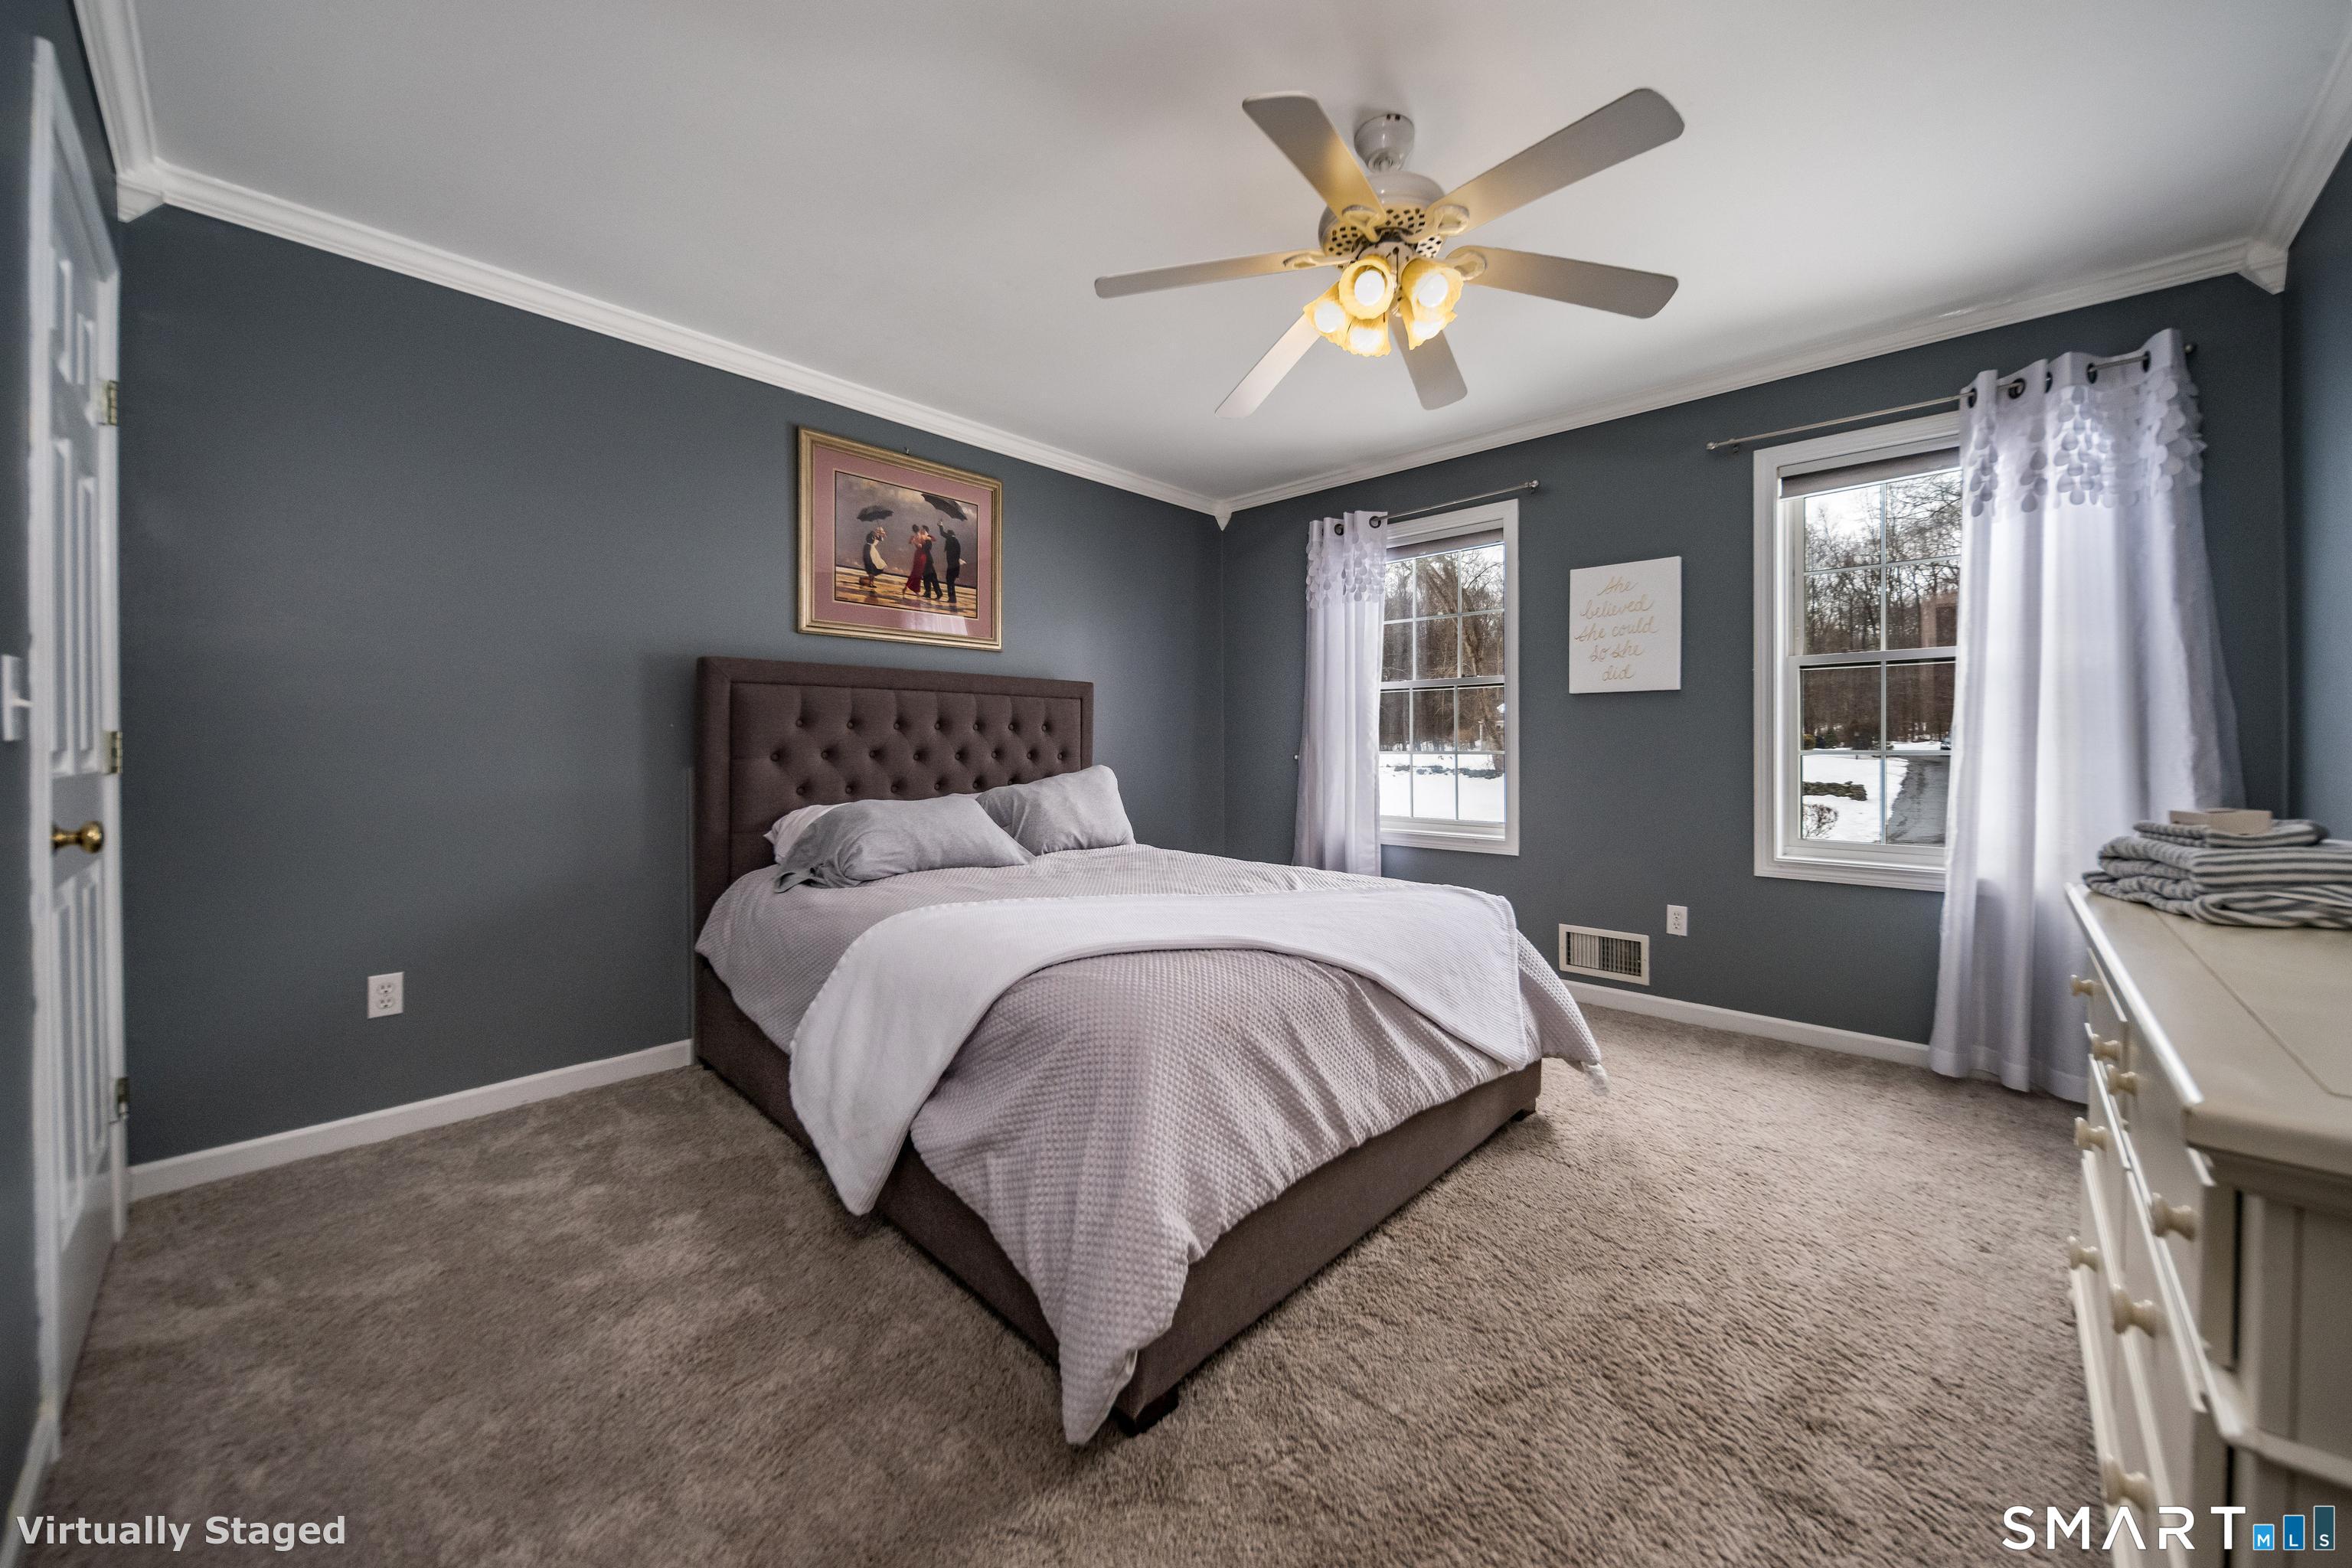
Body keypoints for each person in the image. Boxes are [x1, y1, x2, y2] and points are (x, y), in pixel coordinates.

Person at [904, 525, 931, 601]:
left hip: (917, 555)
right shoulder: (922, 536)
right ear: (919, 529)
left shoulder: (914, 536)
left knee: (915, 572)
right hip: (921, 556)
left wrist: (914, 541)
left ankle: (912, 590)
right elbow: (922, 545)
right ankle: (912, 589)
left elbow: (910, 543)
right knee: (918, 573)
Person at [940, 526, 964, 610]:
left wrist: (941, 525)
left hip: (952, 566)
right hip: (955, 566)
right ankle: (953, 598)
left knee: (949, 581)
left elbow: (942, 533)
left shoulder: (951, 539)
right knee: (951, 582)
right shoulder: (956, 542)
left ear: (950, 535)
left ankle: (952, 598)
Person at [861, 526, 887, 591]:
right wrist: (876, 535)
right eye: (879, 531)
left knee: (875, 566)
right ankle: (871, 583)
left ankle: (871, 583)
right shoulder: (872, 534)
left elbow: (881, 539)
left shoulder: (878, 536)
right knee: (870, 566)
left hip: (872, 550)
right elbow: (870, 539)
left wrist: (883, 535)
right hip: (868, 549)